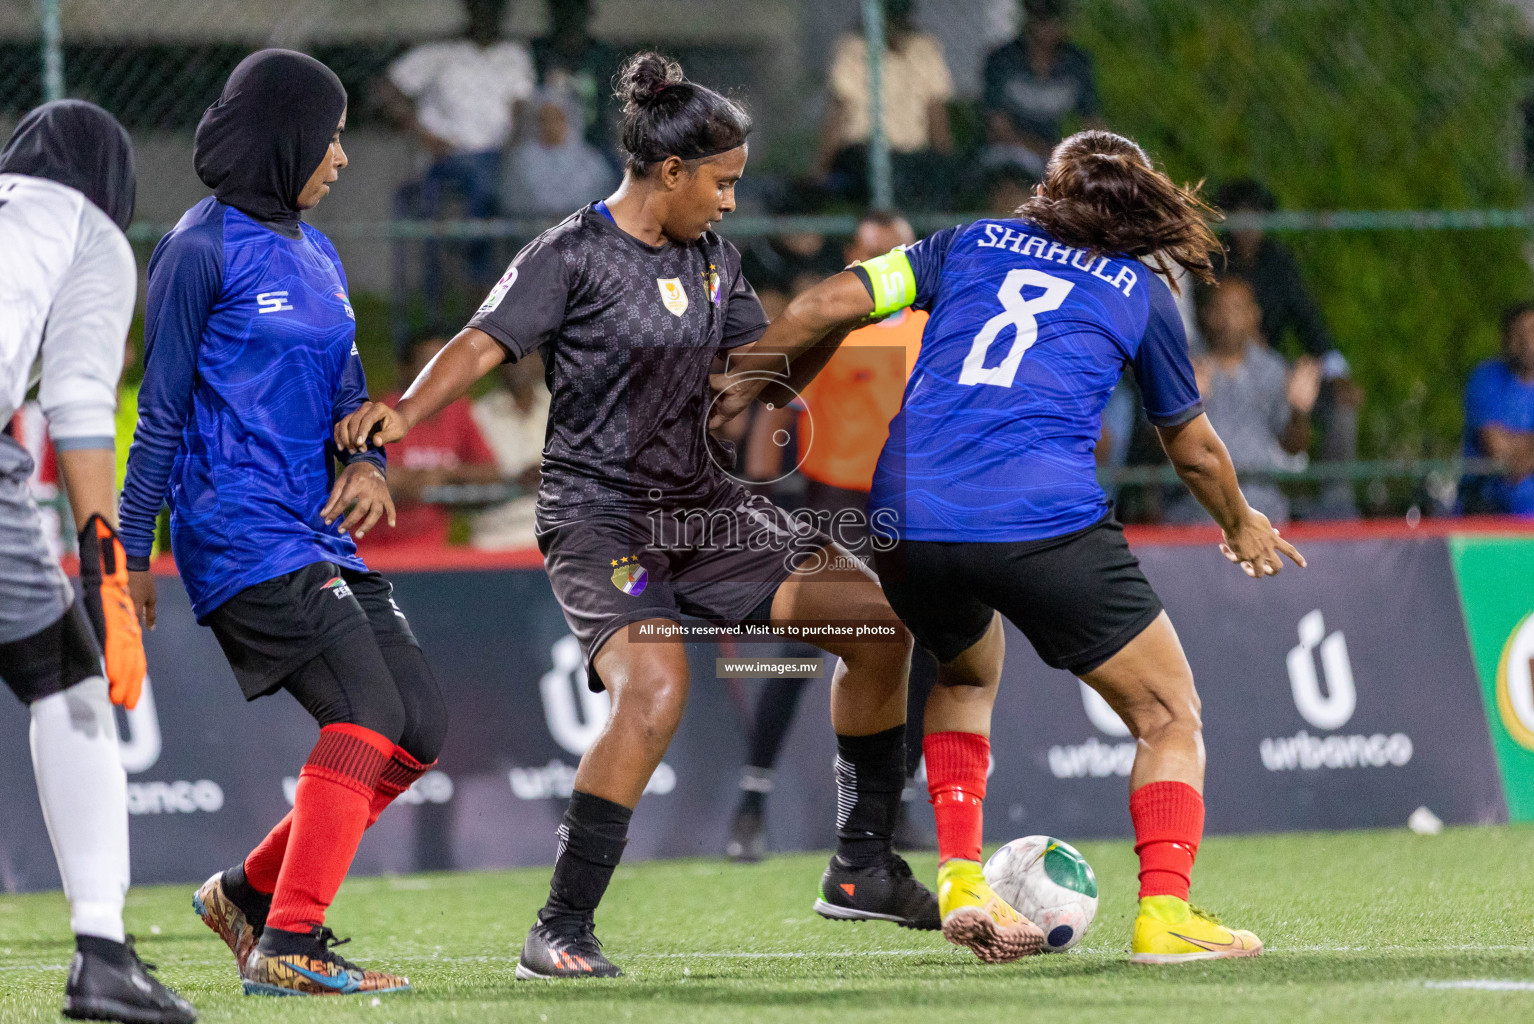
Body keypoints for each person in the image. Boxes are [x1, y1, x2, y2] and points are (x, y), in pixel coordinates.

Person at [336, 52, 939, 980]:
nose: (732, 202)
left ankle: (861, 864)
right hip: (600, 519)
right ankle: (561, 926)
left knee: (876, 626)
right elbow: (482, 340)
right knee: (656, 692)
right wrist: (407, 411)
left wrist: (825, 329)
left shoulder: (714, 262)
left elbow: (757, 386)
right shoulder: (571, 252)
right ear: (670, 173)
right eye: (722, 183)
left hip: (705, 508)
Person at [710, 129, 1305, 965]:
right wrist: (1241, 522)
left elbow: (819, 309)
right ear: (1136, 204)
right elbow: (1194, 447)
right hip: (1041, 519)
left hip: (906, 514)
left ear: (1049, 191)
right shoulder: (1138, 289)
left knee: (962, 668)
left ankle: (959, 876)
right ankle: (1166, 915)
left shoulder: (964, 243)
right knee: (1167, 713)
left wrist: (729, 393)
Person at [120, 50, 447, 997]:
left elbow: (348, 396)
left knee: (416, 730)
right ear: (286, 138)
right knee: (367, 712)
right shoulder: (196, 250)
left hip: (315, 529)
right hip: (239, 530)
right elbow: (159, 416)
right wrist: (131, 557)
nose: (342, 157)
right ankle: (289, 944)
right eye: (332, 137)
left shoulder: (319, 250)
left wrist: (366, 460)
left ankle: (244, 893)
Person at [0, 99, 196, 1024]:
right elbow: (79, 401)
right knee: (66, 679)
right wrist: (105, 570)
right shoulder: (89, 230)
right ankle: (103, 957)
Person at [728, 210, 935, 861]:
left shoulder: (934, 328)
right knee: (798, 658)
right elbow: (774, 409)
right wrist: (752, 498)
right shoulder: (828, 323)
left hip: (907, 510)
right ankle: (751, 806)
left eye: (898, 249)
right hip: (832, 509)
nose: (887, 260)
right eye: (874, 250)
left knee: (922, 655)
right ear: (852, 255)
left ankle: (896, 805)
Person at [383, 0, 536, 349]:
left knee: (502, 183)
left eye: (495, 11)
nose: (489, 17)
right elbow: (388, 88)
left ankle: (484, 285)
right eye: (481, 10)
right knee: (478, 188)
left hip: (495, 159)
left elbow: (521, 109)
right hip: (447, 160)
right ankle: (472, 285)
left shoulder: (513, 55)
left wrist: (512, 148)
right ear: (469, 11)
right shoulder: (441, 53)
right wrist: (422, 134)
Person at [1216, 179, 1360, 518]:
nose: (1248, 227)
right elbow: (1203, 326)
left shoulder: (1278, 262)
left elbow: (1309, 322)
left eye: (1256, 216)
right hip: (1220, 371)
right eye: (1240, 216)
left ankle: (1335, 503)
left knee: (1340, 403)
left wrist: (1337, 372)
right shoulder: (1210, 258)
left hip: (1273, 372)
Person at [1166, 277, 1320, 526]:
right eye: (1220, 309)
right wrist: (1185, 405)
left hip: (1263, 505)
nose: (1228, 319)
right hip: (1197, 508)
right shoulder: (1184, 368)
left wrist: (1298, 412)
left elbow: (1294, 450)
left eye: (1237, 309)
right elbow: (1155, 448)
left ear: (1254, 315)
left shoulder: (1274, 370)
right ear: (1206, 315)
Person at [355, 335, 501, 552]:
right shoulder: (380, 410)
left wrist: (443, 475)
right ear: (405, 368)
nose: (438, 372)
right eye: (428, 363)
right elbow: (369, 473)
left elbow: (490, 471)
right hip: (374, 548)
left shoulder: (459, 410)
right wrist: (417, 479)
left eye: (445, 362)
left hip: (434, 550)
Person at [815, 0, 955, 209]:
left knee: (925, 180)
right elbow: (841, 112)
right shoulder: (854, 48)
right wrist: (821, 168)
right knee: (866, 171)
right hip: (862, 152)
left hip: (911, 155)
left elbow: (935, 112)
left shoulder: (924, 48)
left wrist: (945, 160)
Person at [982, 0, 1103, 178]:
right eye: (1039, 18)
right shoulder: (1002, 60)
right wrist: (1044, 150)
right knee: (1011, 177)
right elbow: (998, 128)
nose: (1046, 27)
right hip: (1011, 152)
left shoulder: (1076, 62)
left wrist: (1100, 152)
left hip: (1057, 151)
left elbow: (1093, 120)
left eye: (1052, 18)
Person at [1461, 301, 1534, 515]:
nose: (1528, 342)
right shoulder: (1486, 378)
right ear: (1506, 339)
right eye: (1519, 333)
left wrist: (1521, 451)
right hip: (1489, 515)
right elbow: (1495, 448)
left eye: (1532, 331)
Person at [470, 352, 549, 550]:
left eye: (527, 355)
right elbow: (465, 474)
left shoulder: (564, 406)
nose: (518, 364)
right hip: (496, 538)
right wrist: (513, 478)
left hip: (559, 536)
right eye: (510, 357)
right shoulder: (477, 414)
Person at [502, 91, 619, 218]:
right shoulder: (522, 159)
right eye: (544, 119)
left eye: (557, 118)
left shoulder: (589, 159)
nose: (551, 125)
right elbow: (514, 203)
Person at [531, 0, 622, 152]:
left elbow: (614, 111)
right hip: (546, 143)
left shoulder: (603, 55)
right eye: (564, 9)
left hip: (594, 143)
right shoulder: (538, 53)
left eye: (576, 8)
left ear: (588, 12)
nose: (570, 16)